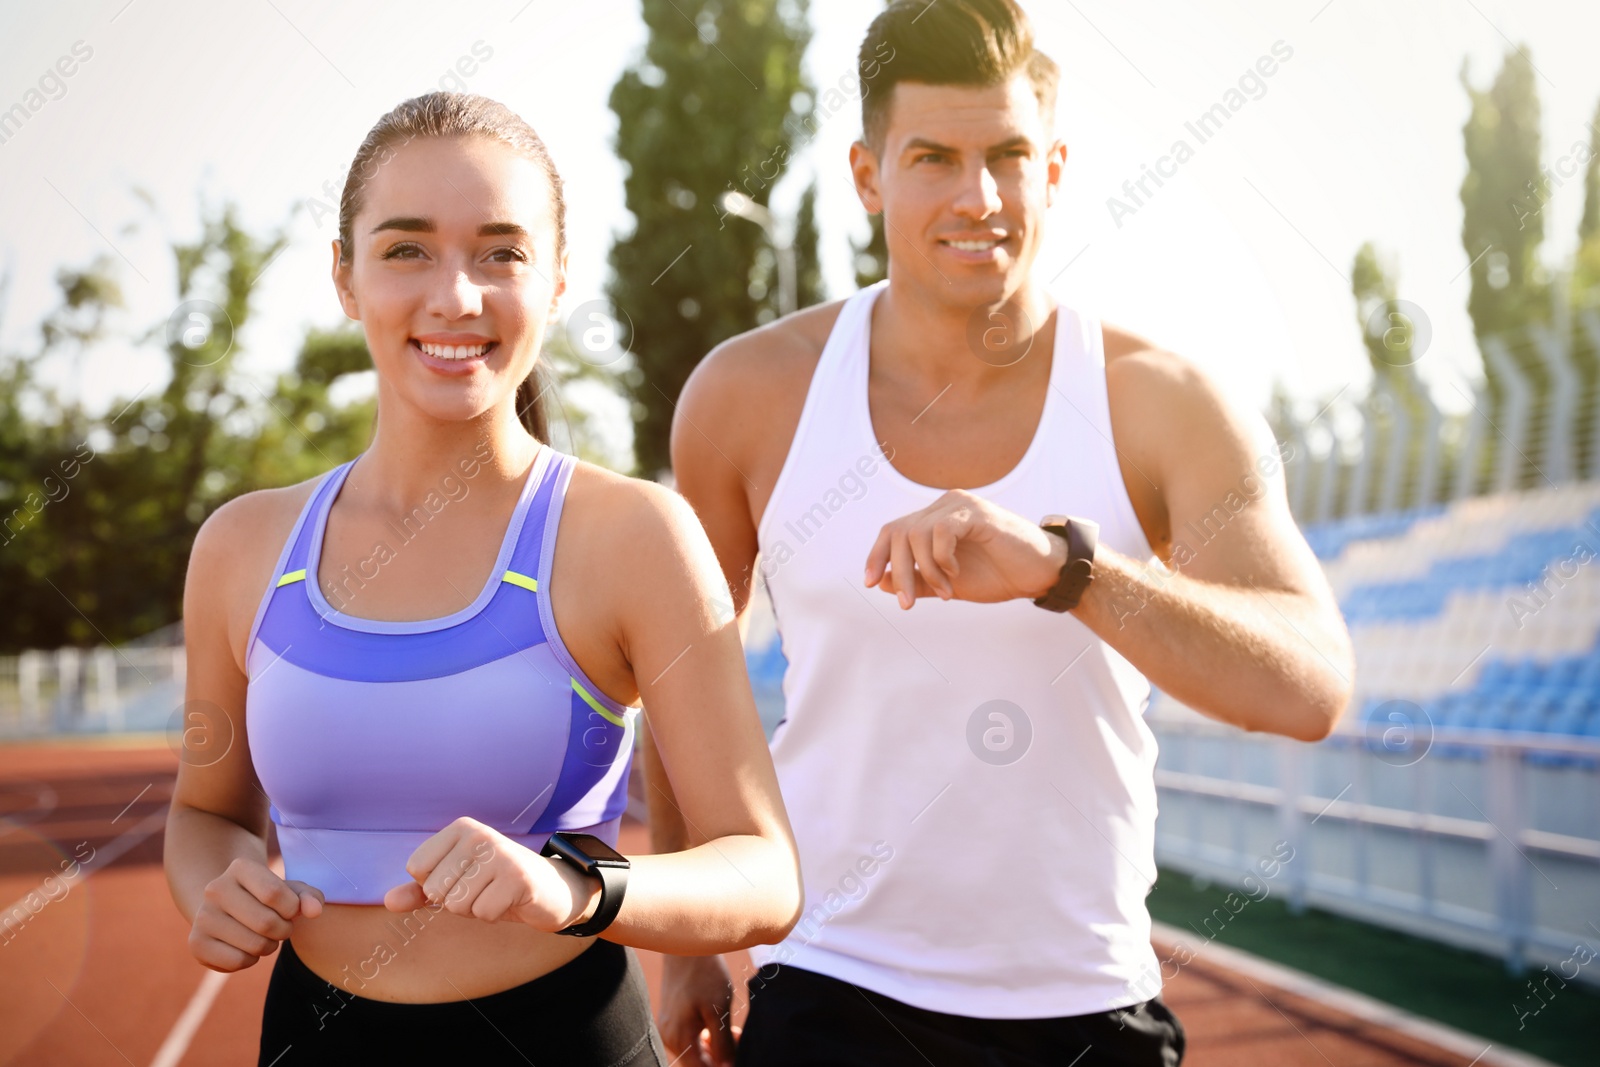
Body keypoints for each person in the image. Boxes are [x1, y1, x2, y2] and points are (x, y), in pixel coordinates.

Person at [649, 1, 1355, 1064]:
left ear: (1055, 167)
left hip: (1085, 1001)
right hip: (831, 978)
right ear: (867, 175)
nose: (976, 197)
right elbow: (676, 671)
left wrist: (1067, 570)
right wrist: (684, 938)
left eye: (1008, 156)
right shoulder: (748, 397)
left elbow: (1308, 686)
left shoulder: (1161, 400)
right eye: (932, 156)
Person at [163, 92, 802, 1067]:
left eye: (501, 252)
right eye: (406, 248)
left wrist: (577, 887)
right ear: (344, 274)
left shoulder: (634, 535)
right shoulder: (242, 545)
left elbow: (761, 872)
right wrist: (217, 883)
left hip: (568, 1036)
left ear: (554, 282)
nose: (456, 295)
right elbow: (206, 813)